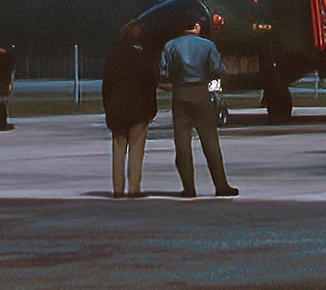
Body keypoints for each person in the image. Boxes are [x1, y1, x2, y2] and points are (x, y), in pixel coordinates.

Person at [160, 18, 237, 197]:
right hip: (201, 92)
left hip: (180, 94)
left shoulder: (170, 46)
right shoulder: (207, 45)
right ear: (197, 26)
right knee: (210, 142)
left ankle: (188, 188)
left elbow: (162, 72)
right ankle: (221, 185)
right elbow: (218, 69)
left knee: (182, 144)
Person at [101, 22, 157, 198]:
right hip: (138, 109)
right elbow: (150, 85)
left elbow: (106, 86)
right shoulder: (143, 57)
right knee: (136, 149)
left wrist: (108, 108)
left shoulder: (112, 56)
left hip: (117, 108)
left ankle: (117, 188)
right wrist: (152, 109)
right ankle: (134, 188)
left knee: (118, 149)